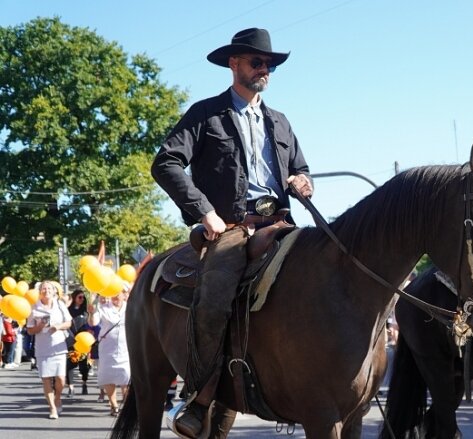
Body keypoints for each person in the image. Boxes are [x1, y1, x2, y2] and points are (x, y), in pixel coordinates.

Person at [151, 27, 313, 438]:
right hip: (231, 227)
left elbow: (300, 167)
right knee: (216, 294)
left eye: (269, 64)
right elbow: (165, 162)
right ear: (233, 64)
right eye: (256, 62)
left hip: (281, 223)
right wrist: (203, 212)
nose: (264, 69)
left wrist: (302, 181)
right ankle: (199, 396)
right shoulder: (205, 114)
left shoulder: (280, 121)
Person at [26, 280, 72, 419]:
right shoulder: (33, 308)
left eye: (49, 289)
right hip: (42, 348)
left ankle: (58, 397)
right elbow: (29, 330)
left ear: (54, 291)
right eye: (44, 289)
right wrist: (39, 328)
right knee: (46, 379)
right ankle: (52, 407)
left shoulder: (60, 305)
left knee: (61, 379)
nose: (46, 291)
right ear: (40, 291)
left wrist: (58, 327)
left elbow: (69, 322)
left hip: (58, 346)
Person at [88, 289, 130, 416]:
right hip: (107, 348)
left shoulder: (130, 307)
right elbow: (93, 322)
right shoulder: (103, 307)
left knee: (127, 376)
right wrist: (92, 310)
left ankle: (126, 404)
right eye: (113, 293)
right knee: (108, 376)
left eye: (118, 293)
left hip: (126, 347)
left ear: (124, 294)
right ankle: (114, 405)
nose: (115, 296)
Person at [66, 290, 90, 396]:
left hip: (84, 342)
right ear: (74, 298)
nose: (82, 299)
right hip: (72, 341)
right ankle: (71, 387)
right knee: (70, 364)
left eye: (83, 298)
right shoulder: (68, 310)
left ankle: (84, 383)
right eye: (79, 297)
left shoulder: (86, 311)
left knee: (83, 366)